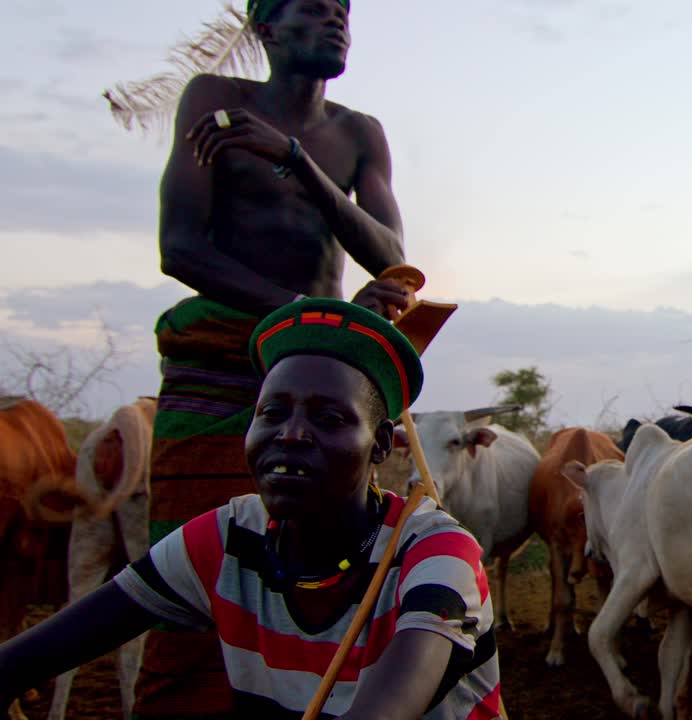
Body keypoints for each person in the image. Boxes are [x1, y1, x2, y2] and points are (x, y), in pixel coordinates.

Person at [104, 0, 415, 713]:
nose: (335, 20)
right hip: (220, 369)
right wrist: (301, 318)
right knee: (197, 583)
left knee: (323, 570)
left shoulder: (358, 134)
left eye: (342, 10)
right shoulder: (215, 99)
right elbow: (179, 246)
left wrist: (297, 163)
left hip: (318, 369)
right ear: (267, 30)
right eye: (313, 8)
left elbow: (391, 256)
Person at [0, 299, 502, 720]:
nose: (290, 434)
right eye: (271, 413)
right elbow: (30, 657)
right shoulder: (226, 538)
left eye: (329, 417)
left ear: (379, 448)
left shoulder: (438, 554)